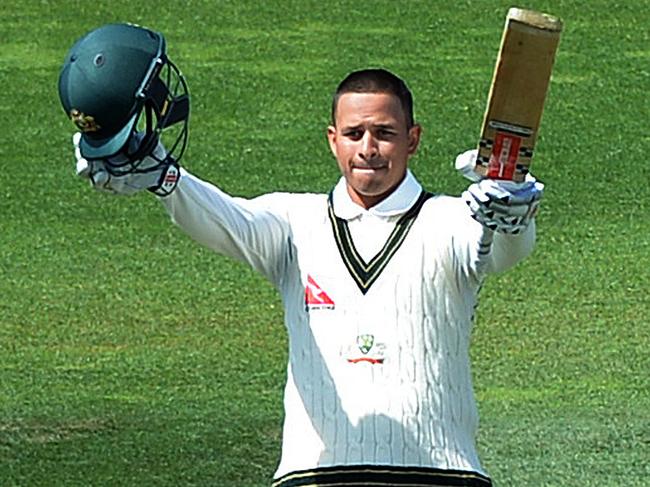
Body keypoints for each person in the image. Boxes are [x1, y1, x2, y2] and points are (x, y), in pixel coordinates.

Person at [59, 23, 543, 487]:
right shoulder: (294, 223)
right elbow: (227, 220)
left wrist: (514, 214)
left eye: (385, 134)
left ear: (412, 139)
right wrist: (166, 181)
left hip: (440, 474)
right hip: (314, 477)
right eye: (354, 134)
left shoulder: (450, 219)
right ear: (333, 140)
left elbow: (502, 252)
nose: (368, 149)